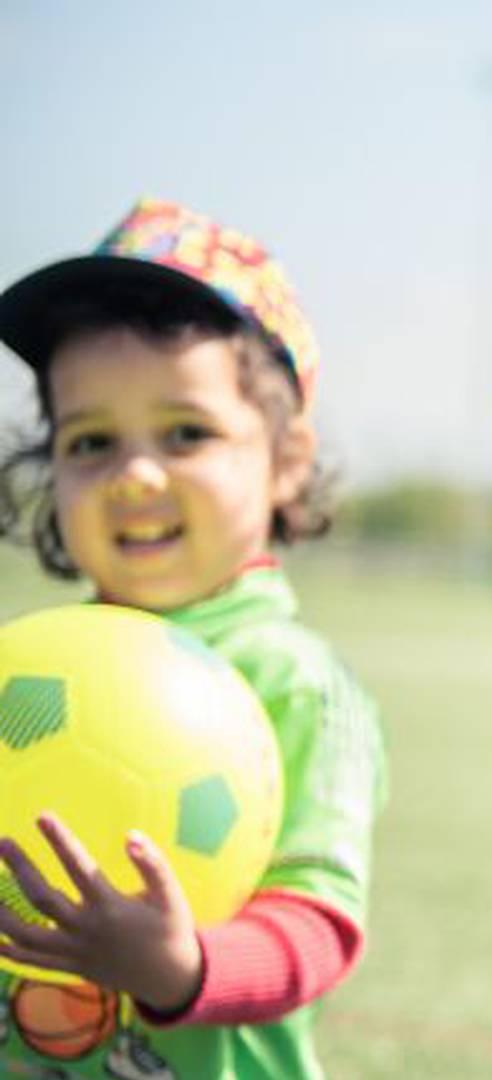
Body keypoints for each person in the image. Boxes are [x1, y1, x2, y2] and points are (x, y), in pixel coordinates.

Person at [0, 198, 387, 1079]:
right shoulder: (31, 667)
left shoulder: (299, 685)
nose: (135, 473)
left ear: (287, 457)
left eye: (185, 433)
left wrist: (183, 969)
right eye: (91, 440)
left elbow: (318, 922)